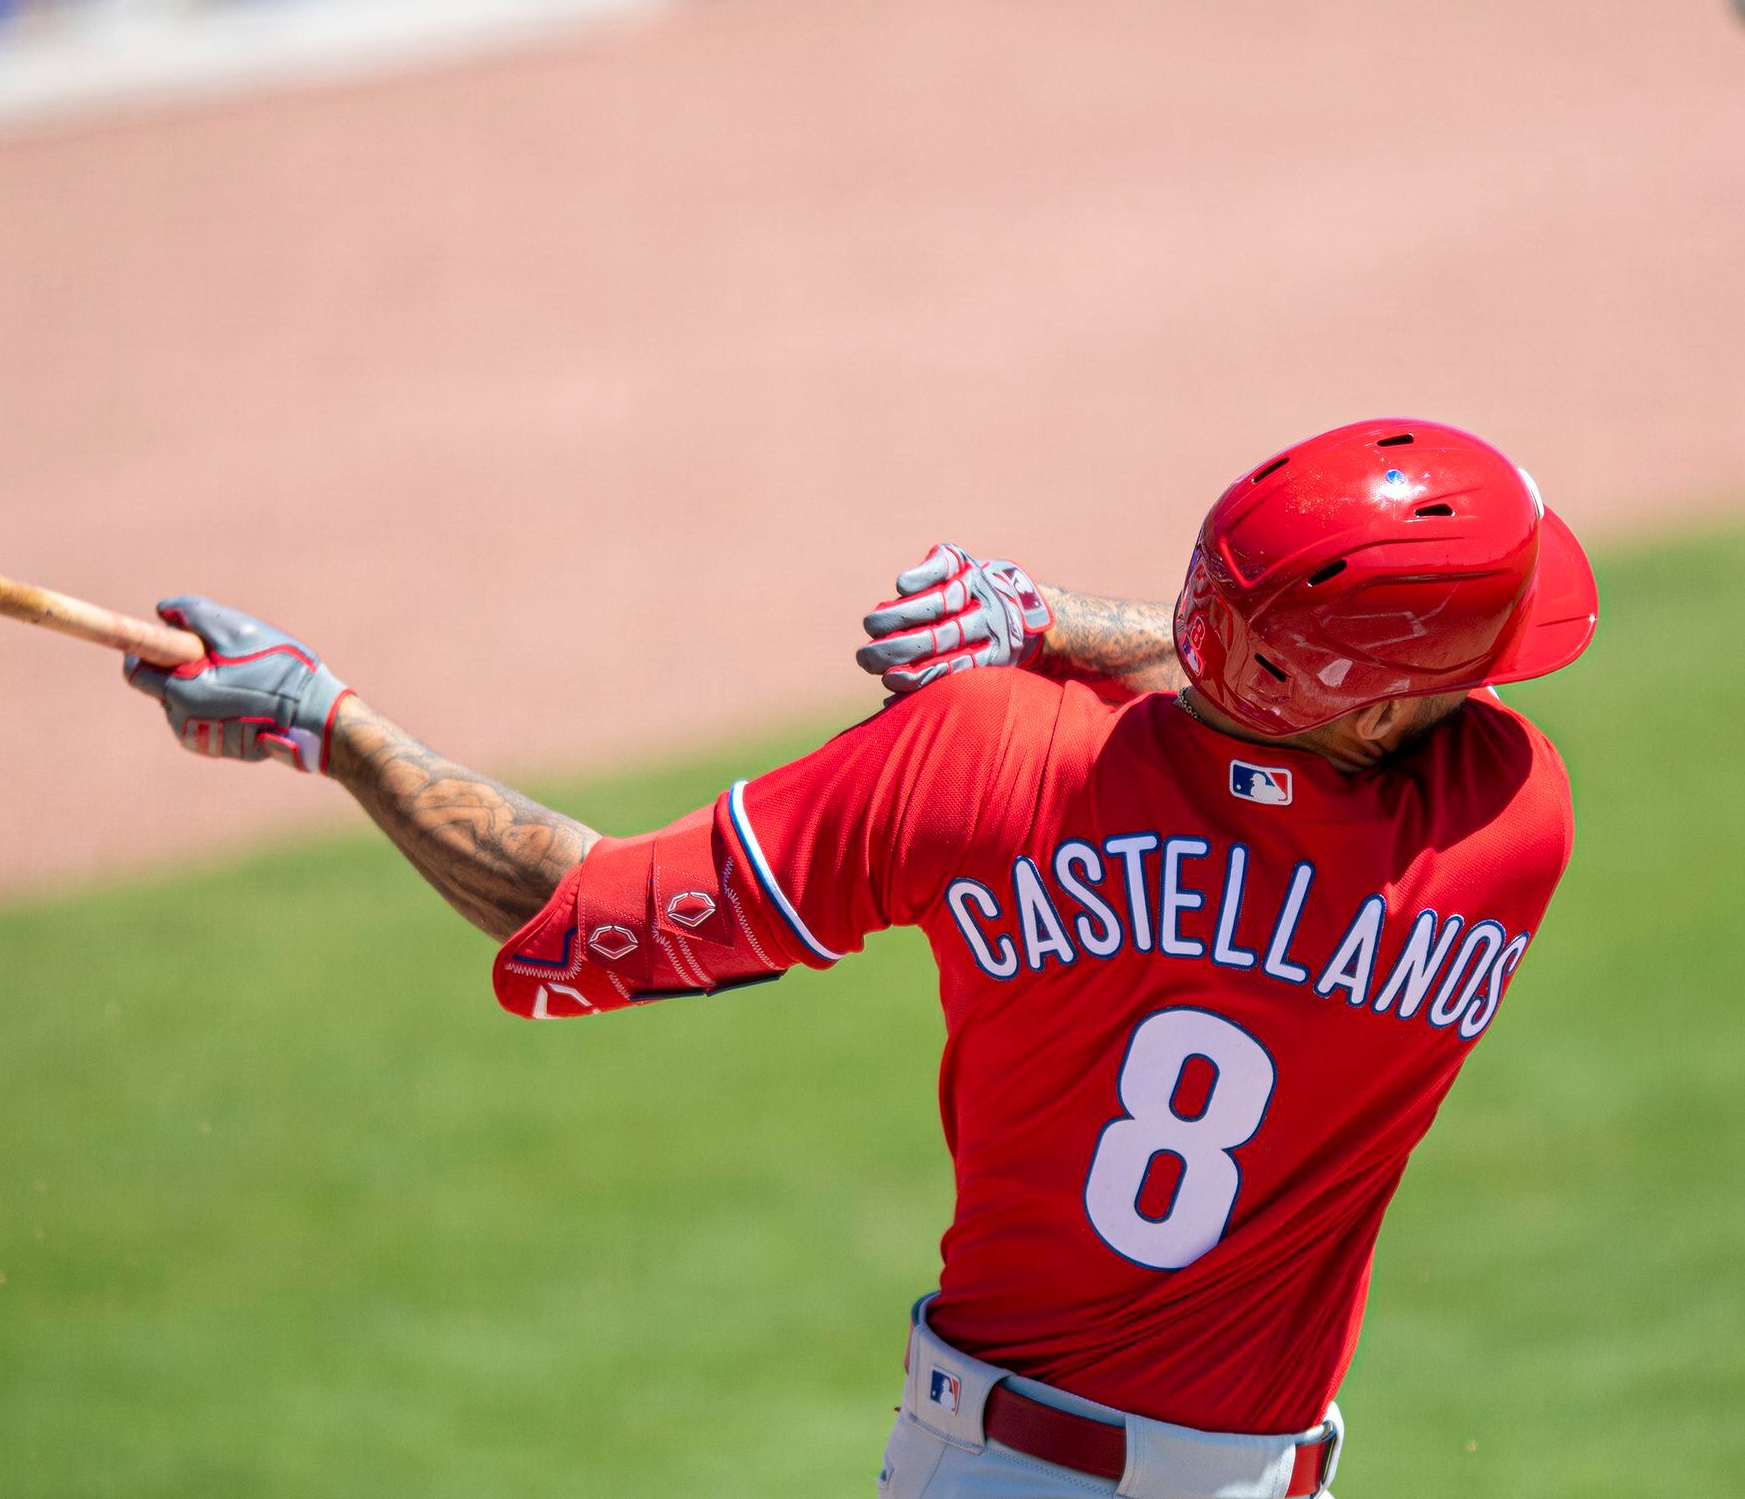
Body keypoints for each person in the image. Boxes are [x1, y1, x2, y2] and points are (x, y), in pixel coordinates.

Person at [124, 417, 1599, 1499]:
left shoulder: (975, 764)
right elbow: (1280, 707)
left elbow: (571, 907)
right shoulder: (1503, 830)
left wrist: (327, 725)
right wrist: (1067, 629)